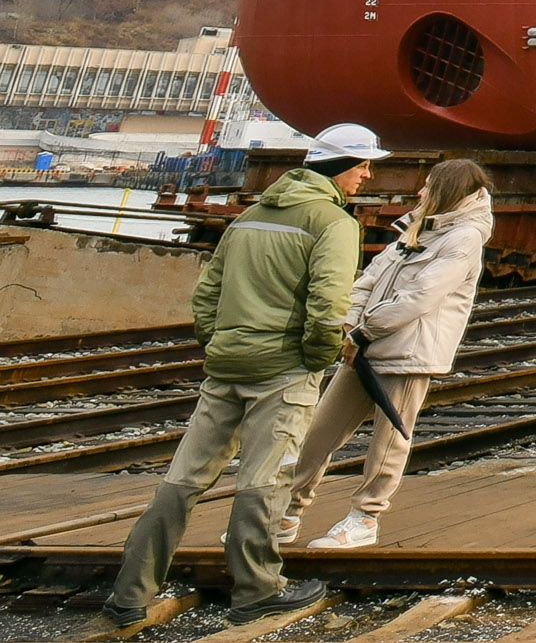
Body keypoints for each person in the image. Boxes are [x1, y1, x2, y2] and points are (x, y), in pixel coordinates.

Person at [89, 125, 384, 633]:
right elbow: (329, 304)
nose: (368, 174)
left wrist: (220, 343)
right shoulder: (333, 222)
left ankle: (129, 594)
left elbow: (207, 294)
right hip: (282, 368)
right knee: (264, 481)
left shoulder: (250, 217)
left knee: (181, 480)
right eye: (362, 164)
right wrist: (315, 357)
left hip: (226, 364)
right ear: (339, 168)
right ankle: (257, 591)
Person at [283, 156, 494, 550]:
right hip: (365, 345)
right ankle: (286, 511)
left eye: (429, 185)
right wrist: (349, 324)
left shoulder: (464, 238)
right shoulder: (418, 227)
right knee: (319, 432)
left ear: (448, 191)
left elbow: (421, 296)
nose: (420, 192)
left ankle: (365, 517)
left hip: (408, 352)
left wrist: (362, 332)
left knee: (388, 442)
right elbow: (370, 279)